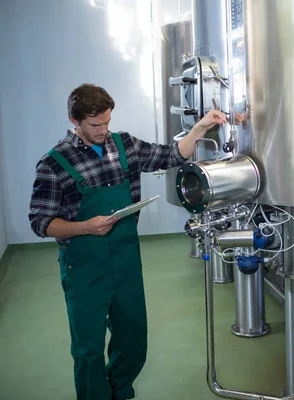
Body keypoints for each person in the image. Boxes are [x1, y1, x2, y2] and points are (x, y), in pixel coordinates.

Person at [28, 83, 226, 400]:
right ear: (74, 121)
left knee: (133, 338)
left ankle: (118, 388)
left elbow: (171, 154)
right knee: (87, 348)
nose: (103, 130)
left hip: (126, 260)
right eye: (95, 125)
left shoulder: (125, 146)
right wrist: (85, 228)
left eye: (107, 122)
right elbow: (41, 222)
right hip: (85, 267)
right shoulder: (53, 165)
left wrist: (202, 126)